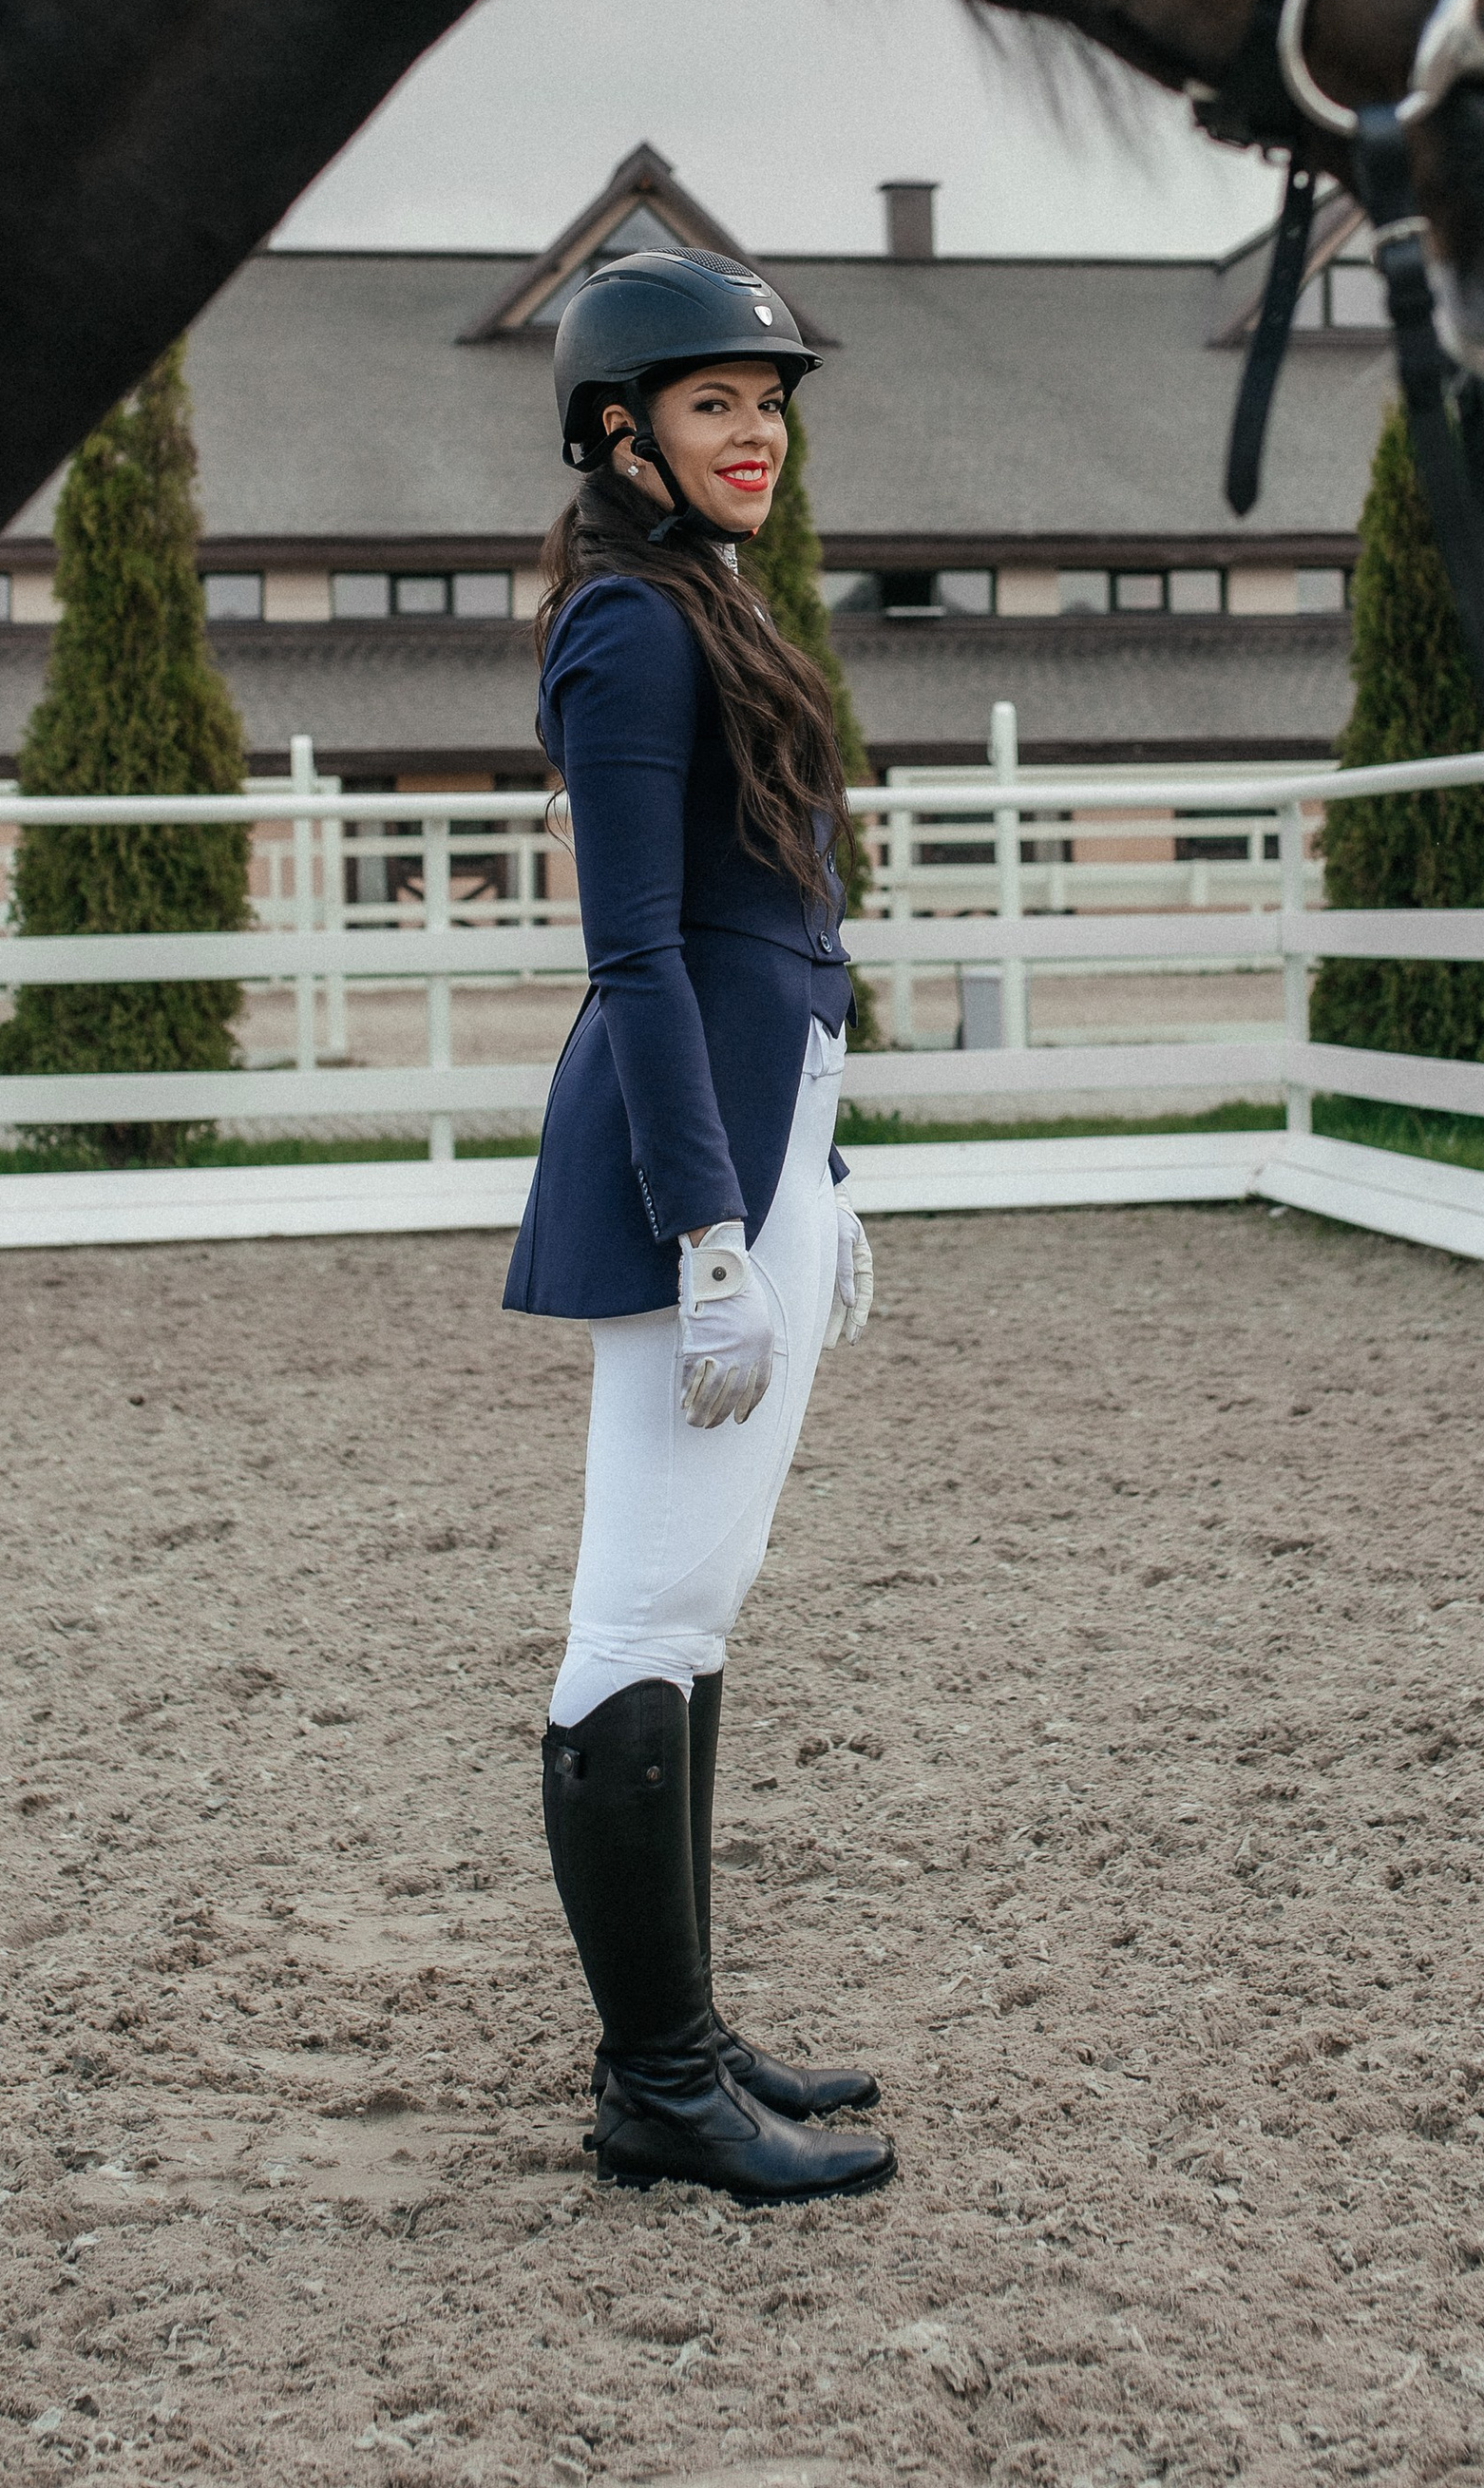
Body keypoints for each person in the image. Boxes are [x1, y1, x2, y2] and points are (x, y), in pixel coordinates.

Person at [505, 246, 898, 2203]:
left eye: (768, 400)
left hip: (767, 1161)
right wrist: (712, 1227)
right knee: (634, 1618)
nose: (755, 433)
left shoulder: (708, 600)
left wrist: (819, 1161)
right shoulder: (629, 632)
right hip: (694, 1192)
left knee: (697, 1611)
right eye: (712, 401)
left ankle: (685, 2025)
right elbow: (639, 956)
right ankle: (653, 2087)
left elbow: (772, 938)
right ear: (615, 428)